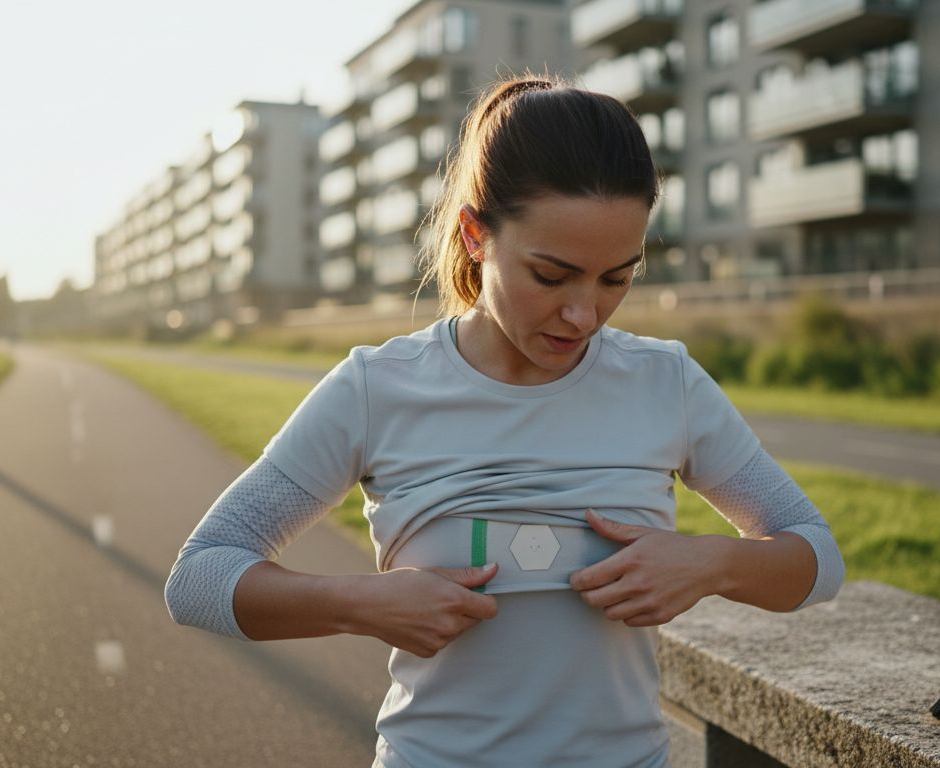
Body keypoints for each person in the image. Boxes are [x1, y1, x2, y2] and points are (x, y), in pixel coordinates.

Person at [164, 74, 844, 768]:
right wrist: (362, 604)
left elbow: (817, 559)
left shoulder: (665, 382)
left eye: (616, 277)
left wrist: (712, 564)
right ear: (475, 234)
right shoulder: (378, 389)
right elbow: (200, 578)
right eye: (551, 275)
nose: (584, 314)